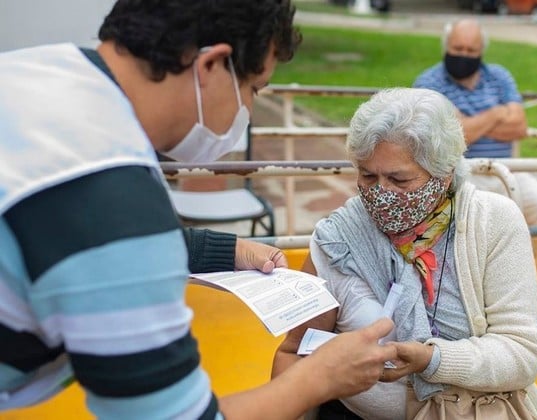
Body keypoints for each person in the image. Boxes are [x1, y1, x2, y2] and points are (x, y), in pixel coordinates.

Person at [0, 1, 399, 418]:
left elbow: (73, 237)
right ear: (211, 65)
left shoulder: (38, 74)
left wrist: (223, 250)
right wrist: (319, 377)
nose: (248, 110)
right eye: (254, 89)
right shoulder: (108, 189)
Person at [272, 87, 537, 420]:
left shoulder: (492, 221)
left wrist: (432, 360)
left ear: (443, 176)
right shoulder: (339, 239)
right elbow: (295, 351)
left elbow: (522, 353)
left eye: (399, 179)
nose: (381, 193)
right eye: (367, 175)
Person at [412, 18, 537, 327]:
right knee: (485, 216)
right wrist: (498, 113)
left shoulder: (499, 76)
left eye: (470, 50)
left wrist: (472, 123)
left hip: (509, 171)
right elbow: (456, 136)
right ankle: (481, 300)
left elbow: (519, 126)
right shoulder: (429, 83)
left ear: (481, 51)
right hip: (460, 174)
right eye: (458, 48)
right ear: (446, 47)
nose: (463, 55)